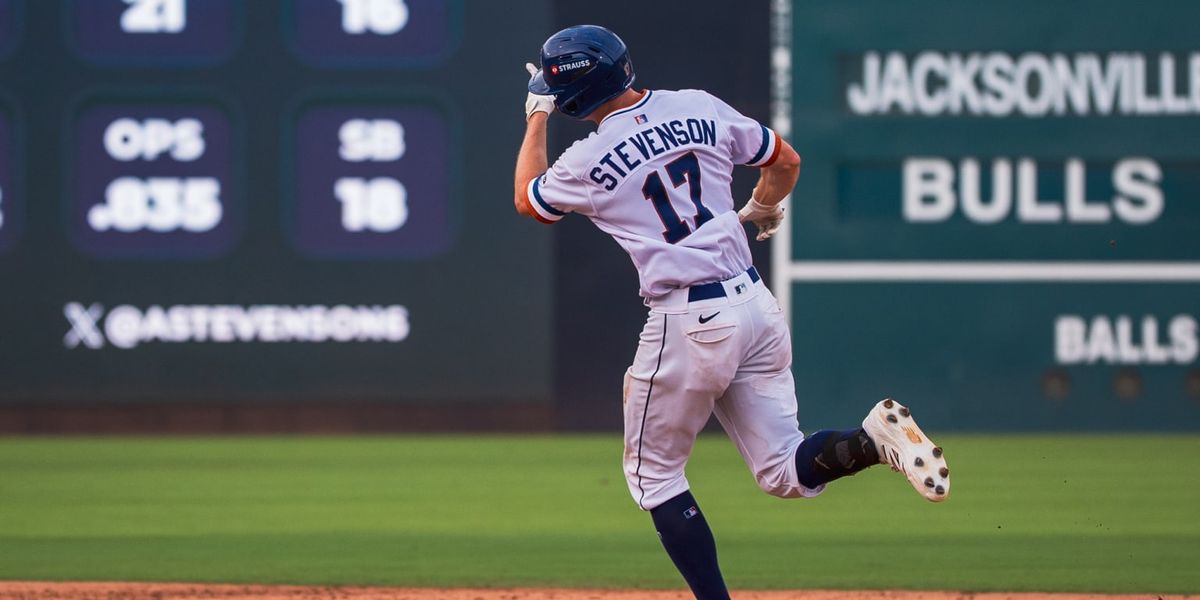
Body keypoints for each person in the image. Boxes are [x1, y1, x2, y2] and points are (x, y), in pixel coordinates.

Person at [513, 25, 950, 599]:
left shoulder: (587, 159)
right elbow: (784, 160)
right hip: (754, 305)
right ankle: (871, 441)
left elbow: (528, 199)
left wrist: (536, 117)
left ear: (571, 93)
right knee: (785, 472)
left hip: (689, 318)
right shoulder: (697, 105)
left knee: (654, 476)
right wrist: (762, 206)